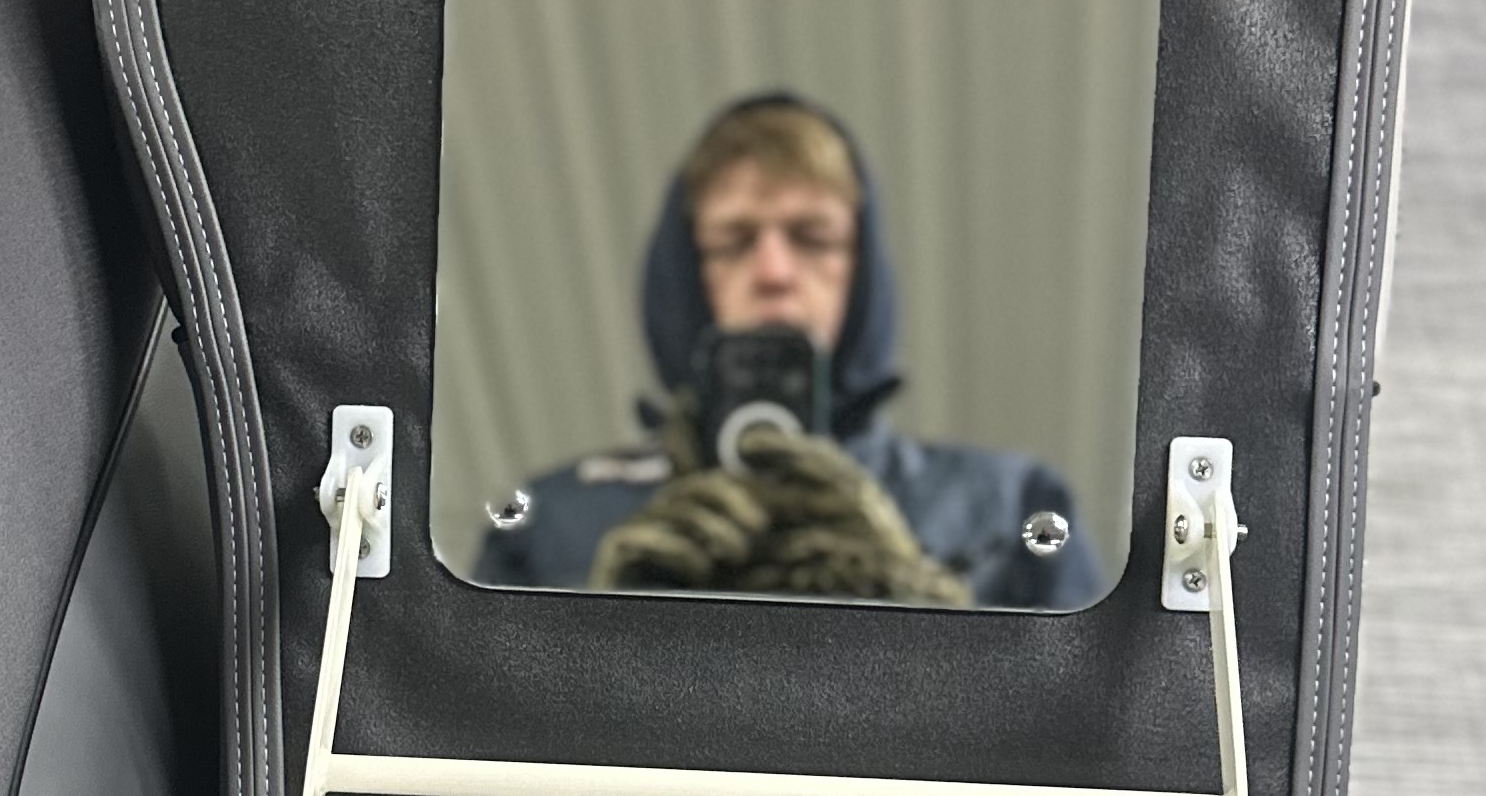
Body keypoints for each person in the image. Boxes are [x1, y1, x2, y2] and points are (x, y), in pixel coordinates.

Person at [473, 94, 1104, 608]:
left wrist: (918, 617)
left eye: (813, 238)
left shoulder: (1007, 509)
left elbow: (1094, 722)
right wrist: (604, 641)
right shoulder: (549, 524)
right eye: (734, 241)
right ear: (686, 276)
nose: (774, 272)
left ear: (864, 276)